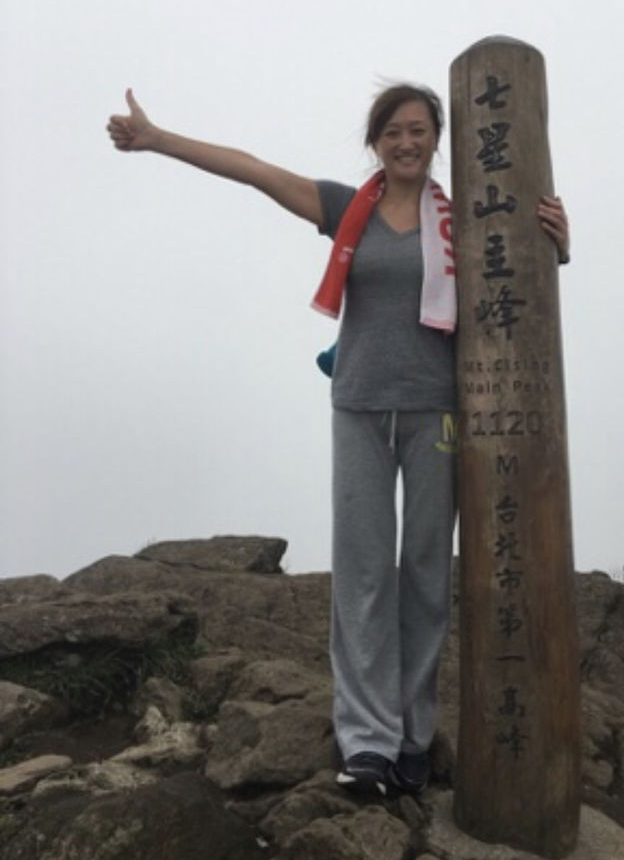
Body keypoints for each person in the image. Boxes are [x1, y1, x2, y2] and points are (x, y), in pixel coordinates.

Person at [106, 83, 571, 796]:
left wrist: (558, 246)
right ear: (376, 142)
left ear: (436, 138)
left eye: (418, 131)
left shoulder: (469, 220)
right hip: (358, 409)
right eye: (393, 133)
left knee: (422, 578)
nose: (406, 143)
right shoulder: (346, 208)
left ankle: (414, 738)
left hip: (438, 416)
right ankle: (367, 744)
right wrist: (159, 138)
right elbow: (257, 171)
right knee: (360, 578)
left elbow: (518, 278)